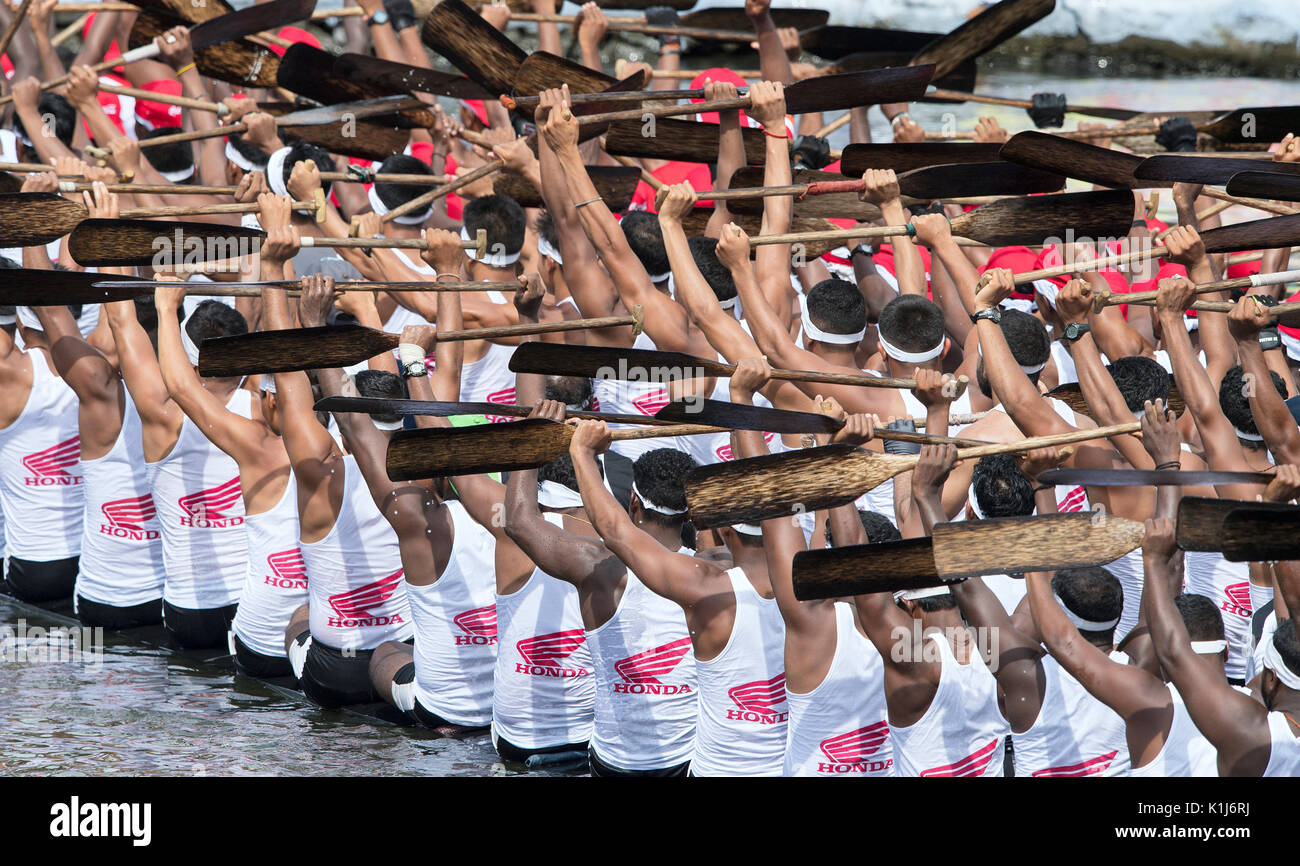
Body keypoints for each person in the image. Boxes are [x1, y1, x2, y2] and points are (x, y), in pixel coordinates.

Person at [258, 219, 414, 708]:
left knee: (299, 618)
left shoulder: (319, 465)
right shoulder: (422, 459)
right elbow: (387, 396)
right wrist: (367, 306)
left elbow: (285, 373)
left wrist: (273, 268)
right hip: (401, 652)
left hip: (335, 673)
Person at [152, 195, 299, 676]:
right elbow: (267, 323)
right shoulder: (263, 407)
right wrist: (267, 235)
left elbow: (172, 374)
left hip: (189, 617)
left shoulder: (165, 409)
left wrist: (163, 304)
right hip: (252, 607)